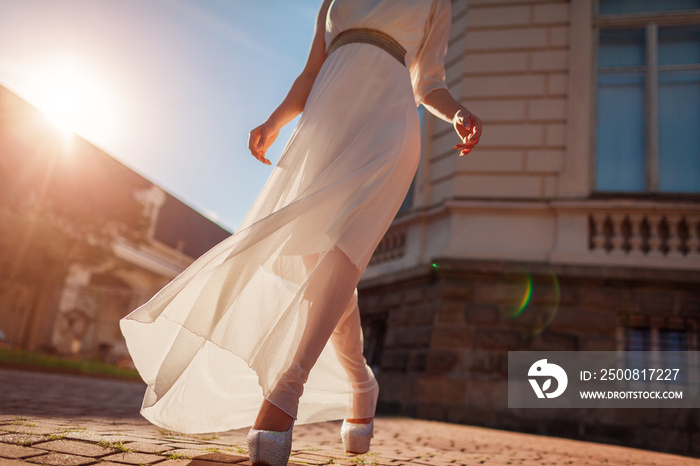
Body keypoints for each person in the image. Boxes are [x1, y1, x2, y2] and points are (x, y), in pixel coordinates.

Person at [120, 0, 481, 464]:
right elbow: (311, 73)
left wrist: (456, 114)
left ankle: (283, 395)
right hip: (324, 130)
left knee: (342, 256)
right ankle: (361, 382)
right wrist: (274, 120)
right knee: (321, 269)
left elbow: (429, 82)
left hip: (387, 130)